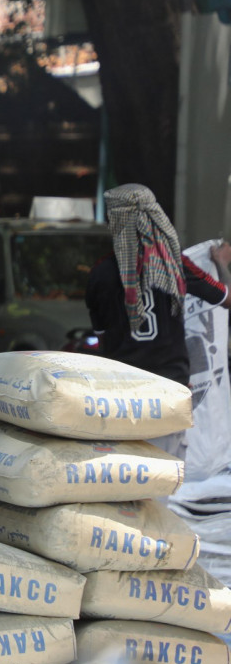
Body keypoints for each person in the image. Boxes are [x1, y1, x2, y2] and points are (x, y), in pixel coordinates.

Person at [86, 183, 231, 459]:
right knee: (165, 480)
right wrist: (222, 263)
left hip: (121, 395)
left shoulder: (100, 274)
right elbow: (225, 298)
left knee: (127, 475)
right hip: (171, 392)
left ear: (115, 222)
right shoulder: (174, 265)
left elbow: (102, 340)